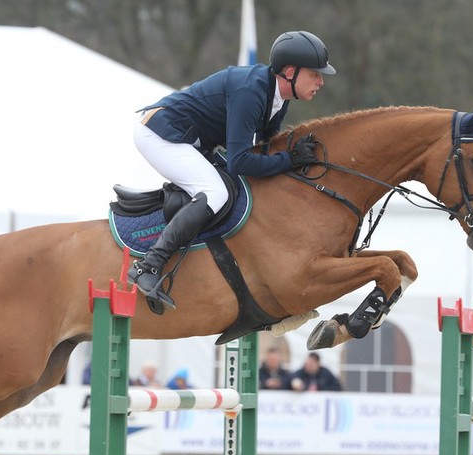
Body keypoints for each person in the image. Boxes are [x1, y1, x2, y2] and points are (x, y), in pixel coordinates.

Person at [128, 30, 336, 309]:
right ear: (290, 72)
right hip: (160, 134)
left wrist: (295, 155)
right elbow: (241, 161)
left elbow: (263, 148)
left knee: (233, 188)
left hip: (191, 139)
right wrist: (289, 160)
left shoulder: (279, 97)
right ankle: (148, 265)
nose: (321, 81)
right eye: (315, 74)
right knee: (216, 193)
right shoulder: (251, 93)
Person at [282, 352, 342, 455]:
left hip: (319, 423)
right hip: (300, 422)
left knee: (310, 453)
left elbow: (338, 389)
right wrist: (294, 385)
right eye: (306, 364)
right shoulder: (300, 373)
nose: (307, 367)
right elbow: (288, 381)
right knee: (299, 453)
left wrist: (320, 392)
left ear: (317, 364)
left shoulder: (326, 374)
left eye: (310, 364)